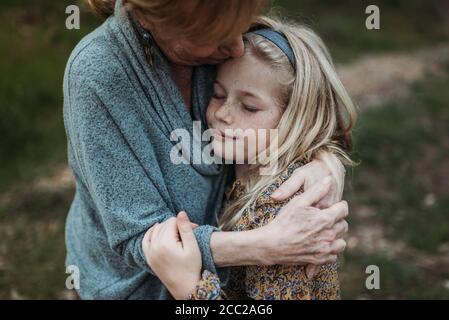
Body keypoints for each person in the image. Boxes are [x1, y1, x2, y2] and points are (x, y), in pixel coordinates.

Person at [63, 0, 348, 299]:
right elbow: (145, 238)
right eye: (217, 94)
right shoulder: (98, 74)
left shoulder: (279, 209)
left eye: (241, 26)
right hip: (133, 288)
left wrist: (324, 160)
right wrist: (266, 246)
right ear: (150, 19)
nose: (238, 47)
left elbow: (308, 97)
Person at [146, 19, 355, 300]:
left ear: (295, 120)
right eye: (218, 94)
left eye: (249, 106)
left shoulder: (280, 212)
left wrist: (190, 288)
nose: (224, 114)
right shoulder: (239, 173)